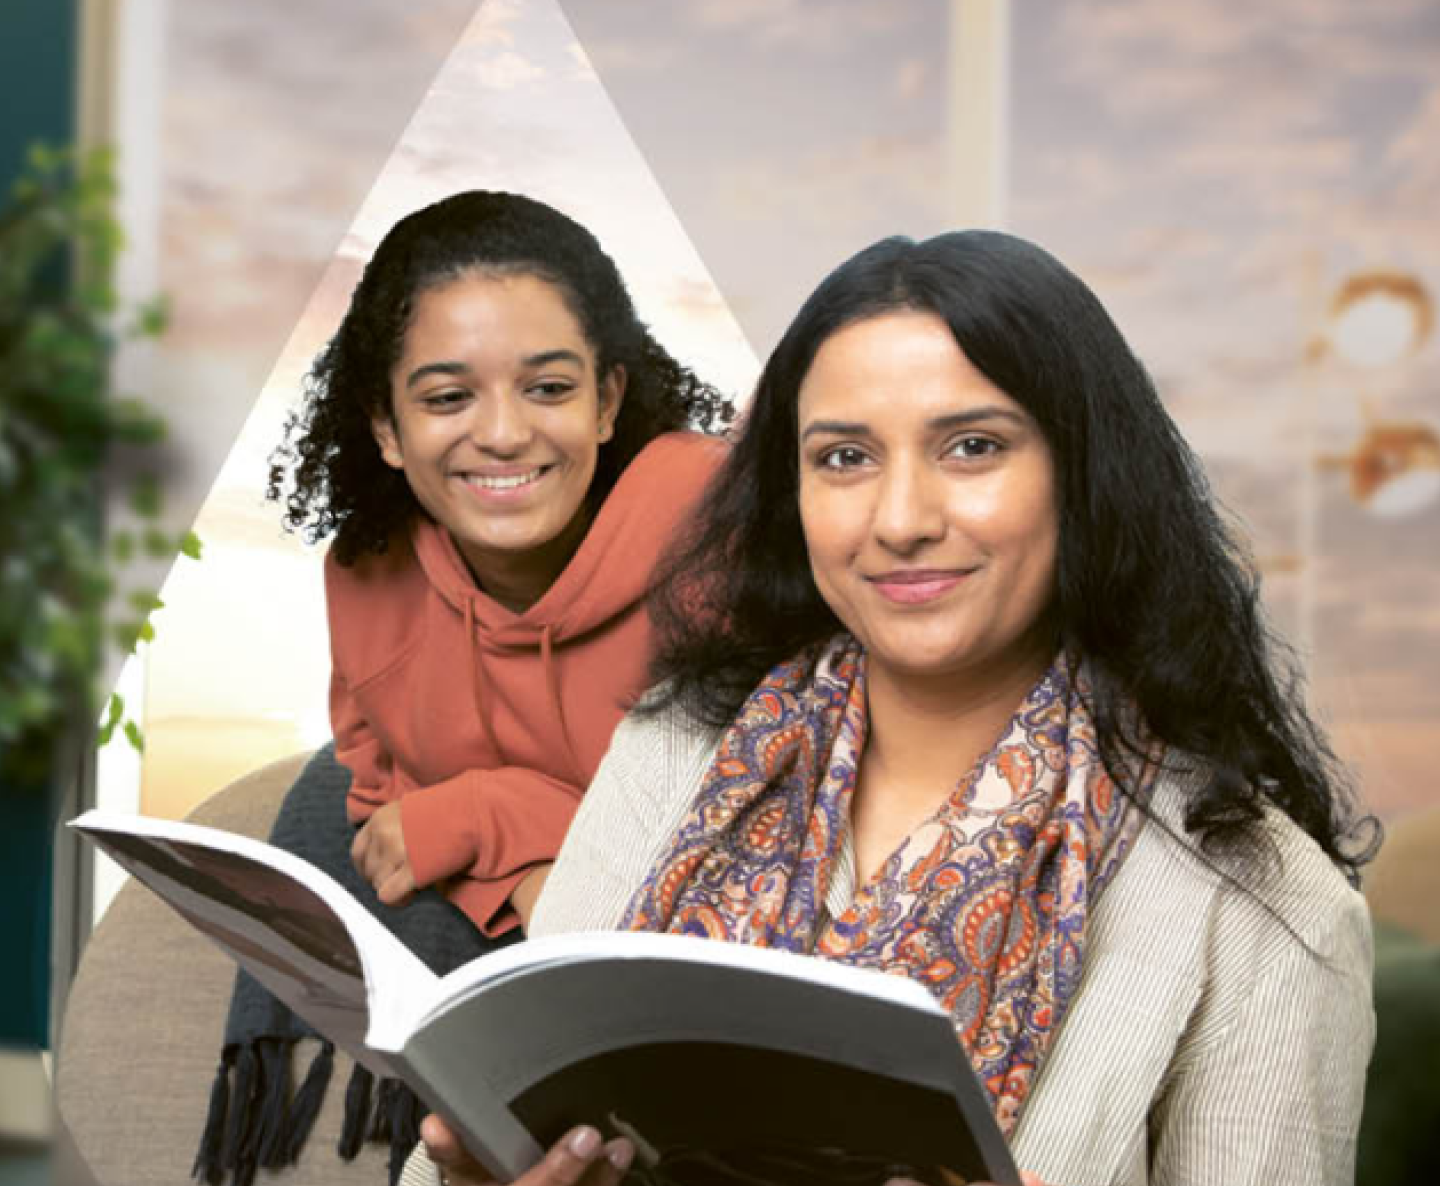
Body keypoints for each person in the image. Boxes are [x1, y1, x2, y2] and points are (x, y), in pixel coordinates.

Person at [414, 229, 1378, 1186]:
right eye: (844, 459)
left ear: (1082, 477)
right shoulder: (672, 751)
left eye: (972, 447)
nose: (903, 519)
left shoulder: (1265, 906)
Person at [197, 190, 732, 1186]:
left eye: (548, 388)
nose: (502, 434)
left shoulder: (724, 537)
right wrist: (515, 872)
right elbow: (380, 802)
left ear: (607, 400)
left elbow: (757, 859)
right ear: (387, 428)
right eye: (447, 397)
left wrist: (494, 812)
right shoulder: (367, 570)